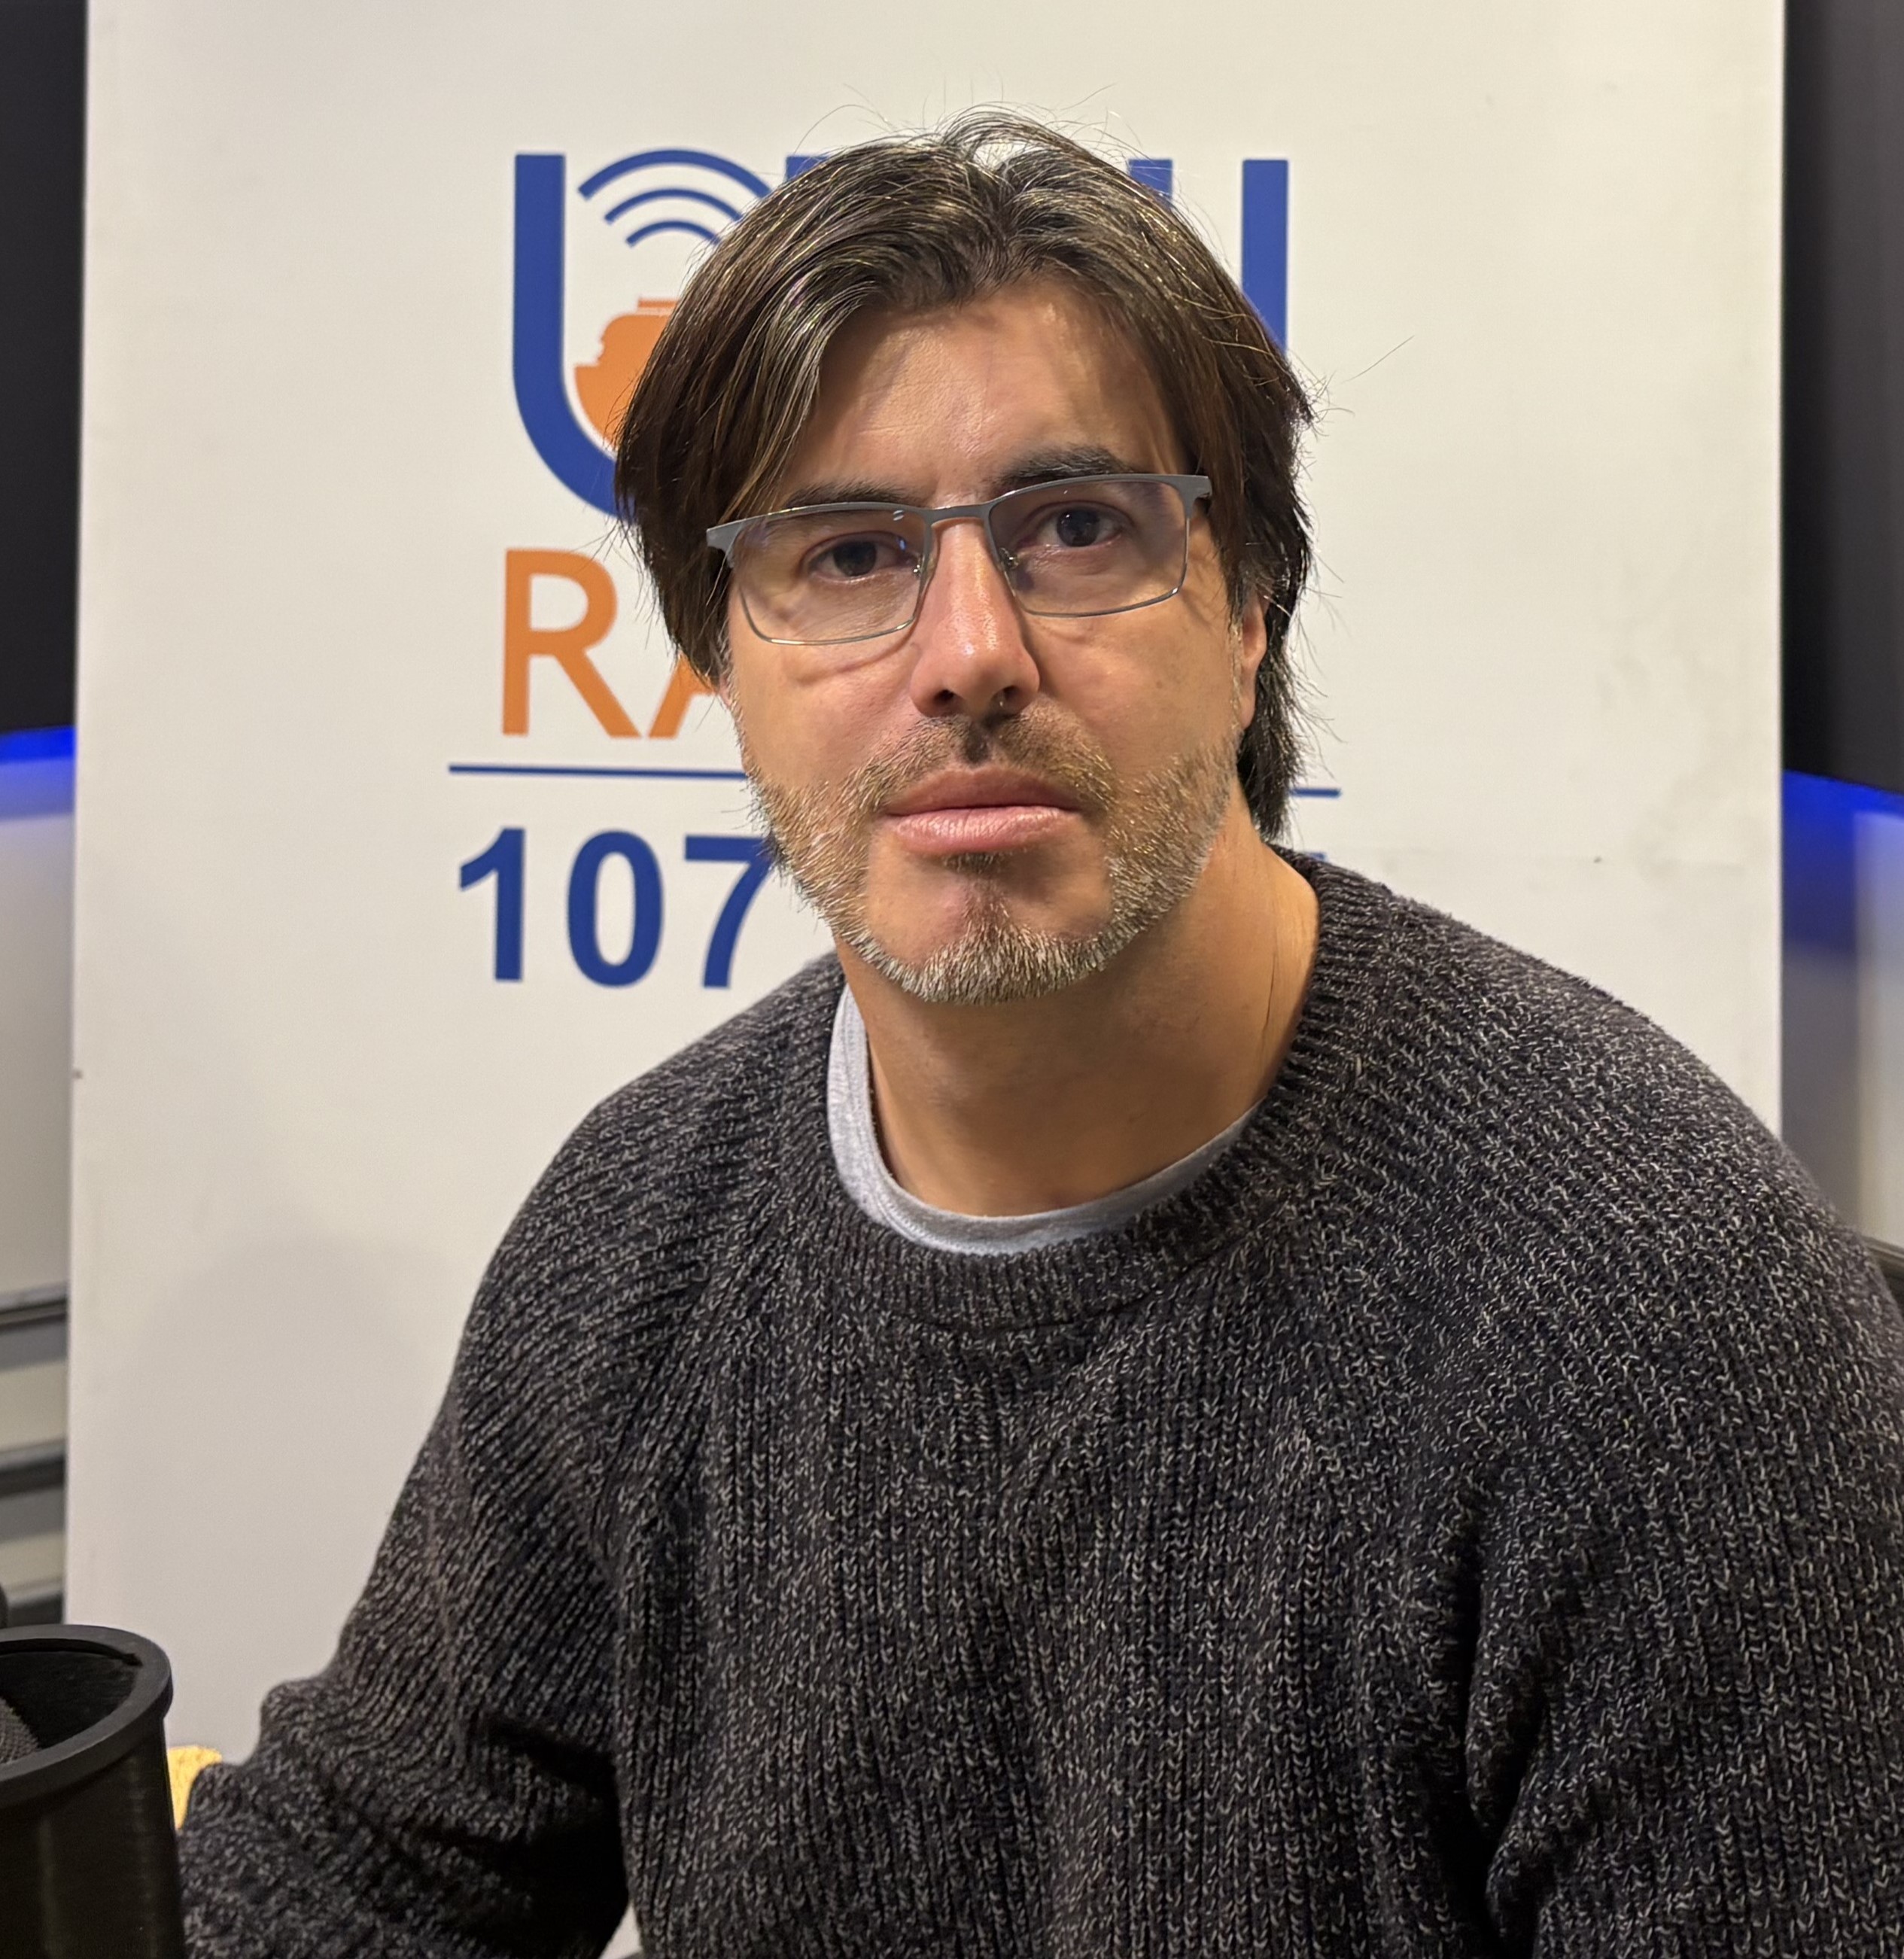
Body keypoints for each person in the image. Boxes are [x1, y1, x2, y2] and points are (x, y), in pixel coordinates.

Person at [180, 114, 1904, 1955]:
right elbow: (357, 1887)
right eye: (848, 553)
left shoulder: (1652, 1317)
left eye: (1076, 528)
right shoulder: (639, 1241)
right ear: (717, 663)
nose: (967, 652)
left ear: (1248, 609)